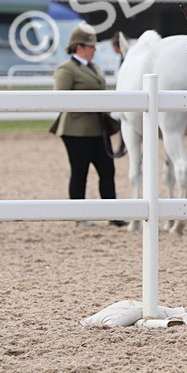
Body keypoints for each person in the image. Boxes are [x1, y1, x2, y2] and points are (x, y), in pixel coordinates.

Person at [51, 23, 125, 226]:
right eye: (91, 46)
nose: (94, 50)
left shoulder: (94, 67)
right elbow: (60, 99)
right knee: (80, 172)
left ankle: (114, 215)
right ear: (79, 46)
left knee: (107, 171)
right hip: (76, 129)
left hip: (98, 128)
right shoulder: (66, 69)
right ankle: (80, 216)